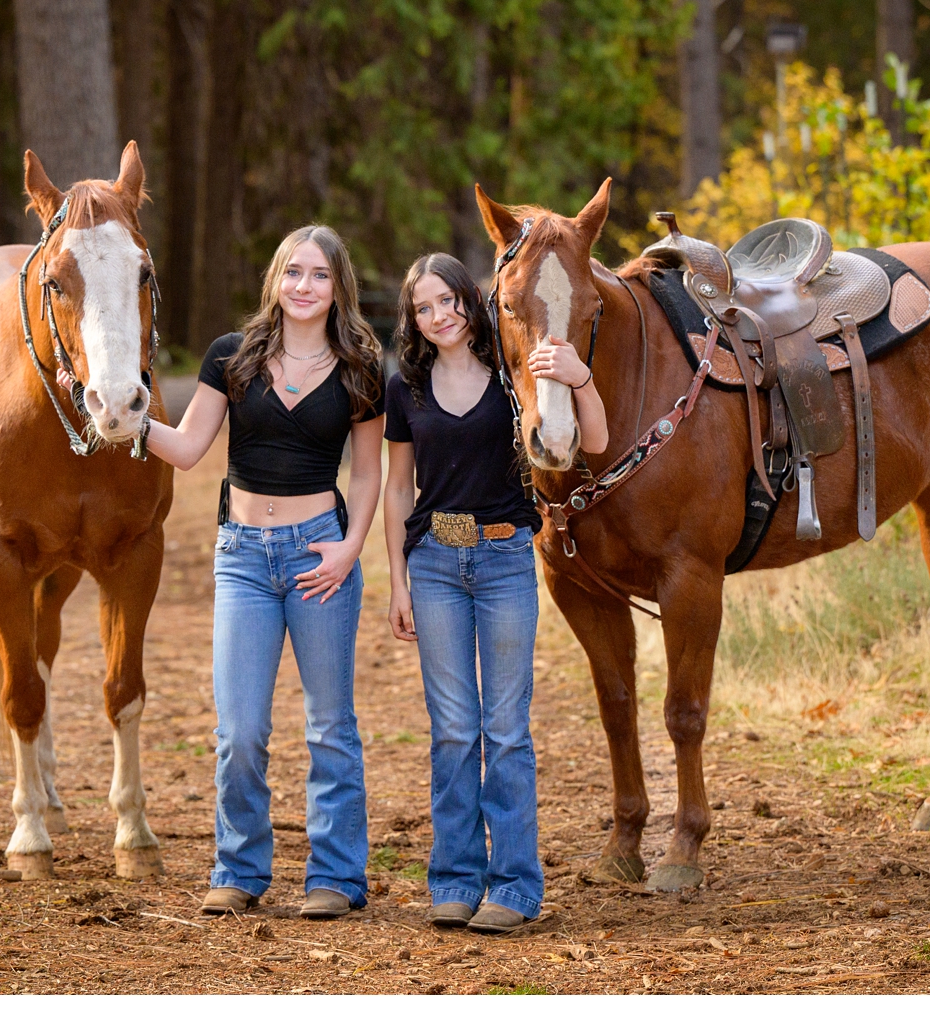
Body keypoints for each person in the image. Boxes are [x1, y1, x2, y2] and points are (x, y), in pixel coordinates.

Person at [147, 225, 384, 920]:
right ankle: (239, 869)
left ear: (337, 285)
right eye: (292, 273)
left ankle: (337, 877)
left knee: (329, 724)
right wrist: (127, 423)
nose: (303, 287)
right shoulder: (233, 356)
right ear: (275, 281)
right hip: (244, 557)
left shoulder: (361, 366)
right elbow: (188, 448)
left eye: (317, 275)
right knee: (240, 729)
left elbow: (369, 475)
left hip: (321, 555)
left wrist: (350, 548)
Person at [382, 253, 607, 934]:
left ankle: (514, 887)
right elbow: (398, 489)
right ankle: (453, 881)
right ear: (413, 321)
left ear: (471, 303)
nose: (439, 315)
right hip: (435, 569)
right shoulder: (406, 389)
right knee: (453, 731)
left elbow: (592, 439)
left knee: (505, 732)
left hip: (507, 558)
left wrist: (581, 377)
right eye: (424, 308)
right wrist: (396, 578)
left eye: (448, 300)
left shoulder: (514, 377)